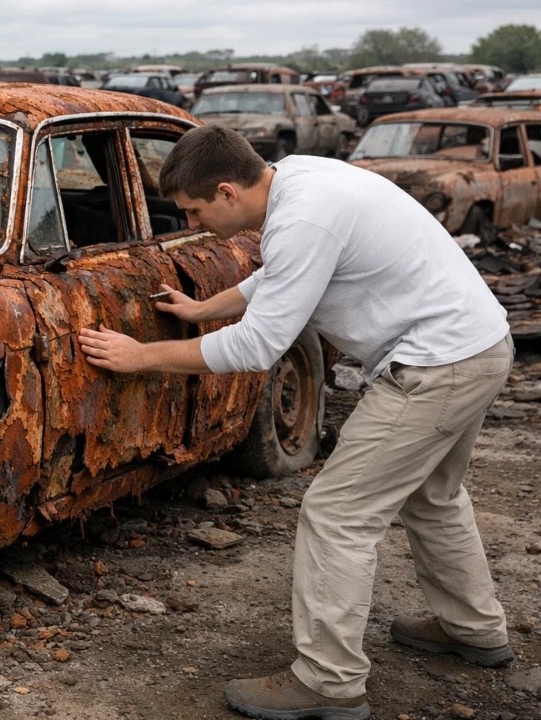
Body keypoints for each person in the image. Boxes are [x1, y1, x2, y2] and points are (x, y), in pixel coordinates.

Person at [78, 125, 514, 720]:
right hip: (477, 346)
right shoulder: (299, 179)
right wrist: (204, 309)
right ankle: (474, 628)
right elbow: (281, 276)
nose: (191, 224)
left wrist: (143, 357)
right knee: (433, 496)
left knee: (337, 514)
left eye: (195, 211)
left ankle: (329, 682)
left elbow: (256, 347)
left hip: (437, 367)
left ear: (228, 191)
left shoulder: (303, 218)